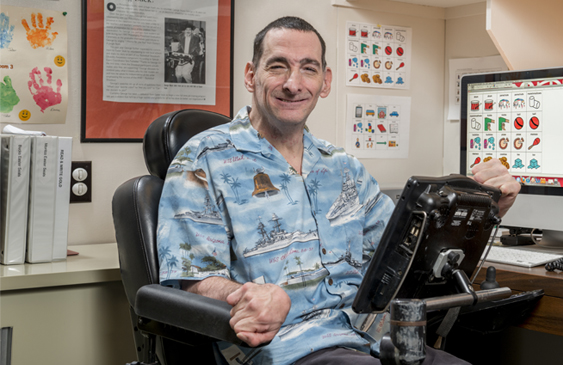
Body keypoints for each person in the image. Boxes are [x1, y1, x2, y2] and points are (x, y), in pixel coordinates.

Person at [157, 16, 520, 365]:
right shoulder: (203, 160)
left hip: (375, 338)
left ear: (325, 82)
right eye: (278, 66)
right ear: (252, 75)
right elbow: (190, 283)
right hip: (288, 348)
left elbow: (404, 254)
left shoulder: (342, 166)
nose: (293, 83)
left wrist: (487, 208)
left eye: (308, 68)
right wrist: (243, 295)